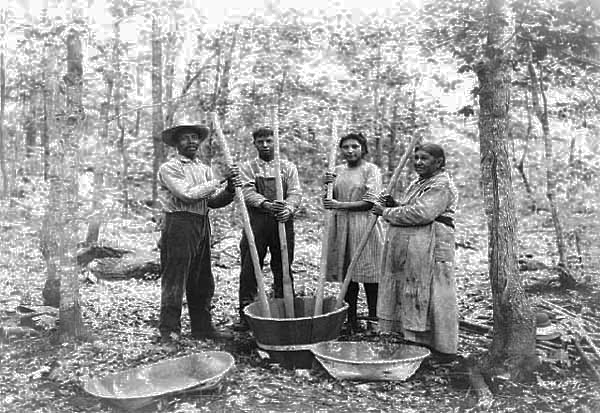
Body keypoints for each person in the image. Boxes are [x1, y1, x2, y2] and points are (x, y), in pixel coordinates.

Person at [157, 121, 241, 343]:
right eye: (185, 138)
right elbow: (187, 194)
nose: (191, 141)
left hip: (202, 224)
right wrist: (220, 179)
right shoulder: (170, 168)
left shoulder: (203, 169)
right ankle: (169, 331)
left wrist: (230, 188)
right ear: (177, 143)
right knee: (175, 278)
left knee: (202, 279)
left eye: (195, 137)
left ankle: (202, 327)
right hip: (179, 224)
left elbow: (212, 201)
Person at [371, 143, 458, 357]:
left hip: (434, 246)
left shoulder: (441, 185)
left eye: (424, 159)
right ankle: (413, 339)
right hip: (416, 248)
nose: (418, 162)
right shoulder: (419, 182)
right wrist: (395, 204)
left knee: (436, 294)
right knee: (412, 289)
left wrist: (387, 212)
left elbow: (422, 213)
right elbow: (411, 206)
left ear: (439, 162)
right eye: (416, 158)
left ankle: (441, 348)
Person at [234, 127, 302, 331]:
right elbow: (245, 191)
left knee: (283, 265)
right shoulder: (248, 167)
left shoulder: (287, 167)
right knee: (250, 266)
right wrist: (265, 204)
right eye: (260, 141)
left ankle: (284, 308)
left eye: (269, 141)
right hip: (256, 221)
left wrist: (288, 209)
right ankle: (247, 313)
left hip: (282, 221)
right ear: (254, 144)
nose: (265, 145)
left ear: (276, 142)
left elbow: (296, 192)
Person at [322, 132, 383, 333]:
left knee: (369, 272)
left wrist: (340, 204)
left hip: (364, 224)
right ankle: (352, 319)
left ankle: (374, 319)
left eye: (355, 146)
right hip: (342, 226)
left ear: (363, 149)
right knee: (348, 274)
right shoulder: (337, 170)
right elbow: (328, 200)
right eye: (346, 147)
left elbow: (371, 201)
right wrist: (327, 187)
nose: (350, 150)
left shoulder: (370, 170)